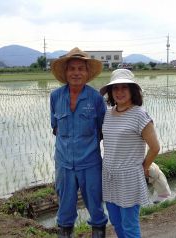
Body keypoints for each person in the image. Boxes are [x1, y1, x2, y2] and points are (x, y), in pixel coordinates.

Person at [50, 47, 108, 238]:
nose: (76, 73)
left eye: (80, 68)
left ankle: (98, 233)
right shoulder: (55, 97)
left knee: (95, 207)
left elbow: (101, 130)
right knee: (65, 210)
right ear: (65, 73)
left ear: (87, 72)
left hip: (90, 163)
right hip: (64, 164)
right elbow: (55, 128)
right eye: (72, 69)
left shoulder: (96, 98)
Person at [100, 69, 160, 238]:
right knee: (116, 222)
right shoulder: (108, 113)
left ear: (133, 90)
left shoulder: (140, 115)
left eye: (124, 87)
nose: (119, 92)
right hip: (109, 176)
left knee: (129, 226)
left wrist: (143, 168)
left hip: (129, 177)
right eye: (115, 88)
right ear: (111, 92)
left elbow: (155, 147)